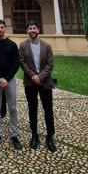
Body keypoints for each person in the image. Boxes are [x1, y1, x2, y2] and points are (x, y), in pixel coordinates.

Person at [19, 20, 56, 152]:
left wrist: (40, 77)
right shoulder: (23, 45)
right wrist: (33, 76)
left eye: (34, 28)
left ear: (38, 30)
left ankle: (50, 137)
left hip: (45, 82)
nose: (32, 30)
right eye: (30, 28)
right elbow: (22, 62)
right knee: (32, 109)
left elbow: (50, 64)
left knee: (48, 110)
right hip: (30, 82)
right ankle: (34, 135)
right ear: (27, 31)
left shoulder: (47, 46)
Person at [0, 19, 22, 151]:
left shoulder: (12, 44)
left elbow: (15, 63)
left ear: (4, 28)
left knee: (12, 107)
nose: (0, 30)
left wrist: (6, 78)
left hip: (10, 79)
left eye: (2, 27)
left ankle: (14, 135)